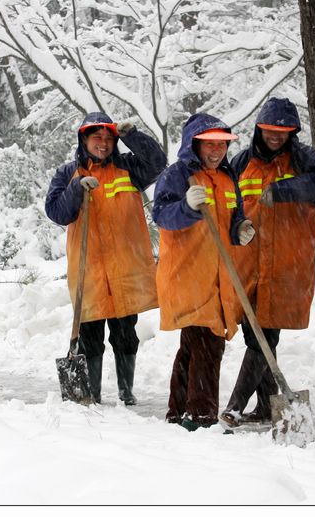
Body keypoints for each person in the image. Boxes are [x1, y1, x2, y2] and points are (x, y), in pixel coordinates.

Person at [220, 97, 315, 427]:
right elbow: (229, 204)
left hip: (285, 263)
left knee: (266, 334)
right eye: (271, 130)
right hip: (247, 260)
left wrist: (285, 189)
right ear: (260, 128)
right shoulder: (242, 162)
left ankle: (234, 406)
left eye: (284, 131)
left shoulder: (301, 159)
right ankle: (264, 406)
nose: (276, 136)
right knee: (254, 334)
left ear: (292, 132)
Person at [45, 111, 166, 405]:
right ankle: (92, 394)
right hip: (89, 269)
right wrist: (76, 189)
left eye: (108, 138)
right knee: (90, 337)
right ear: (83, 139)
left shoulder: (128, 168)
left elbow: (157, 162)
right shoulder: (67, 173)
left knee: (125, 335)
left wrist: (131, 135)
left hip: (125, 267)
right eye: (96, 137)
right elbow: (57, 212)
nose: (103, 143)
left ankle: (126, 391)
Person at [153, 113, 256, 431]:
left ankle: (179, 409)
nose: (216, 151)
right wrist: (185, 206)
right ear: (194, 144)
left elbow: (234, 214)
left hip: (218, 275)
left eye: (222, 145)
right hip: (188, 273)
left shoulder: (227, 178)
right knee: (209, 343)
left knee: (193, 344)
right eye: (209, 144)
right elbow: (162, 216)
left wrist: (240, 228)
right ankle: (200, 415)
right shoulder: (177, 176)